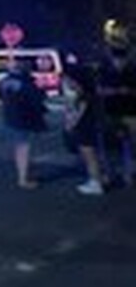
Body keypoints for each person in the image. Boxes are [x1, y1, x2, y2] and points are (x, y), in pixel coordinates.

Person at [0, 60, 47, 189]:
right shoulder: (27, 82)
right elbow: (36, 99)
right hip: (25, 117)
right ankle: (23, 179)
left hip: (10, 117)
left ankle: (22, 175)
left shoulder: (4, 81)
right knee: (24, 147)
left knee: (19, 147)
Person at [62, 54, 104, 195]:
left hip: (84, 123)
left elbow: (80, 107)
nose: (66, 82)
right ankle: (98, 179)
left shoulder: (82, 95)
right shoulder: (88, 92)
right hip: (88, 121)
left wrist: (72, 122)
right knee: (90, 152)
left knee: (89, 153)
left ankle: (95, 182)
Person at [97, 41, 136, 187]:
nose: (119, 62)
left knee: (130, 145)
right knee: (109, 146)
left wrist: (128, 91)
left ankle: (128, 174)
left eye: (122, 59)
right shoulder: (104, 70)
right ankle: (109, 174)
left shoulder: (132, 71)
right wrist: (115, 91)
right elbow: (99, 90)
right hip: (110, 112)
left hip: (130, 112)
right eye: (117, 59)